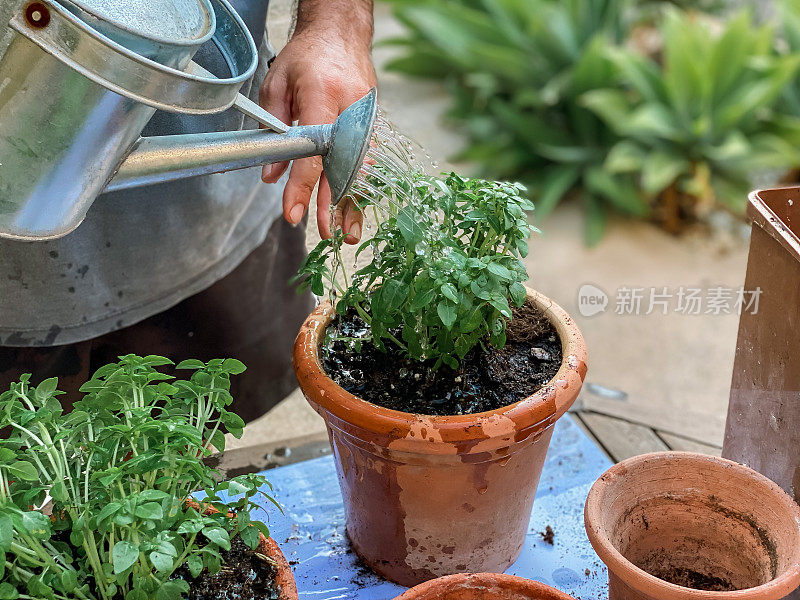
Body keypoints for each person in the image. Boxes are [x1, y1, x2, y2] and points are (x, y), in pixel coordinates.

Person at [0, 0, 377, 422]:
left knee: (192, 443)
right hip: (12, 294)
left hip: (217, 214)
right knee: (26, 469)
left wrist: (336, 25)